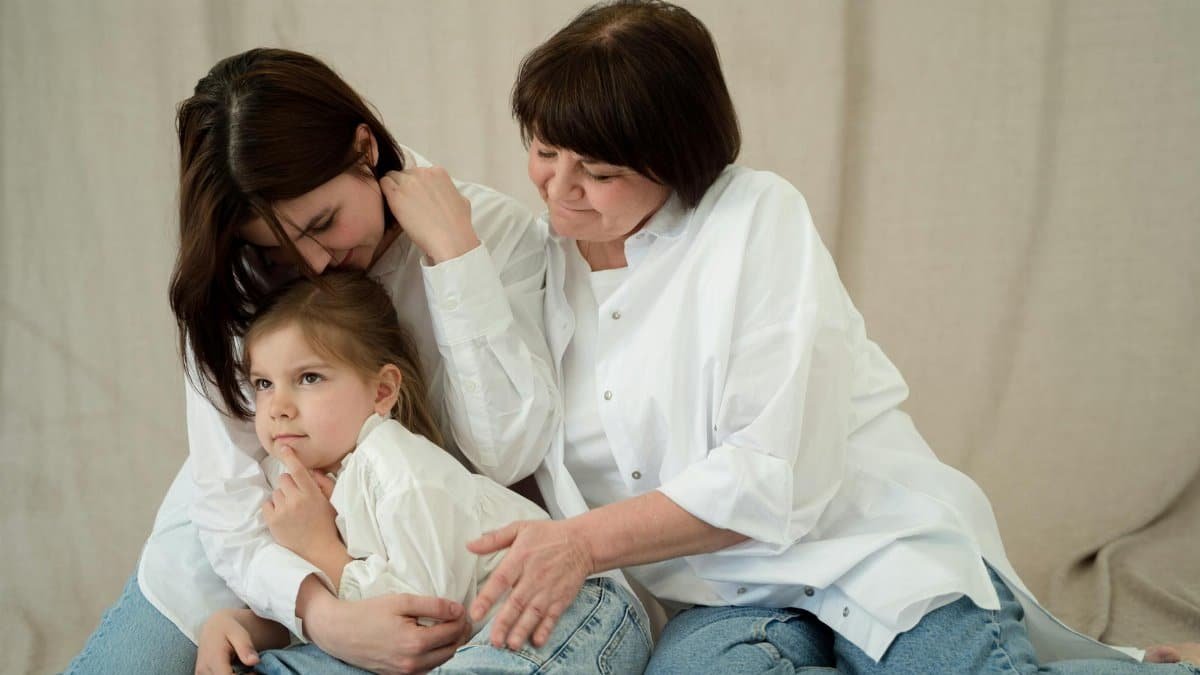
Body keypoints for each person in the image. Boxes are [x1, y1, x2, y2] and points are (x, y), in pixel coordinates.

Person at [451, 1, 1200, 673]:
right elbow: (378, 180)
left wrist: (581, 541)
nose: (556, 188)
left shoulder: (753, 218)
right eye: (546, 152)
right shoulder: (533, 258)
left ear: (678, 158)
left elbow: (771, 474)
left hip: (867, 550)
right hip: (717, 599)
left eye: (598, 170)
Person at [66, 48, 563, 674]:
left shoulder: (491, 231)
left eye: (324, 222)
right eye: (278, 251)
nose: (315, 263)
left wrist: (455, 260)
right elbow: (225, 501)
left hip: (402, 569)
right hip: (236, 565)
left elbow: (508, 453)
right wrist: (322, 616)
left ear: (363, 149)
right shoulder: (233, 275)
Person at [193, 271, 650, 675]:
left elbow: (422, 628)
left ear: (382, 391)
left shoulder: (397, 468)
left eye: (309, 378)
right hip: (463, 644)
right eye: (263, 384)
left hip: (567, 607)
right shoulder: (289, 487)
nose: (279, 408)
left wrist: (319, 548)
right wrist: (237, 622)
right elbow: (320, 616)